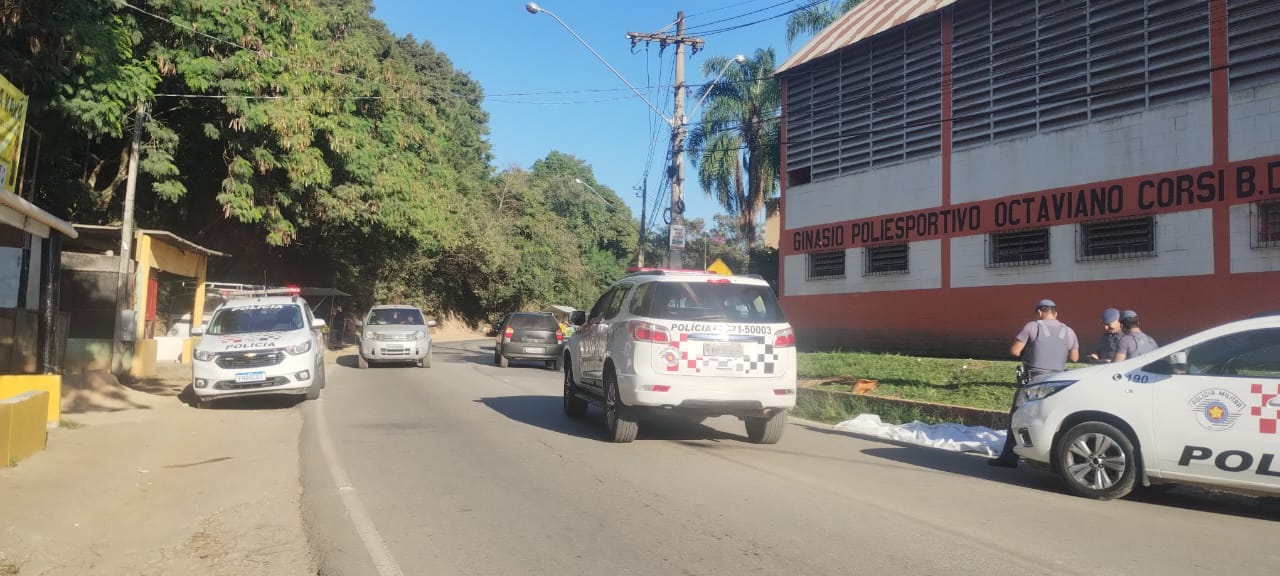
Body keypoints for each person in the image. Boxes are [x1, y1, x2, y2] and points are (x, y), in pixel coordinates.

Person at [990, 298, 1080, 468]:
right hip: (1058, 382)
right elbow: (1074, 358)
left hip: (1033, 381)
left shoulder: (1032, 326)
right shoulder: (1069, 331)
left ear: (1039, 312)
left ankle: (1009, 458)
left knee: (1017, 417)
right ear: (1055, 313)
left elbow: (1014, 351)